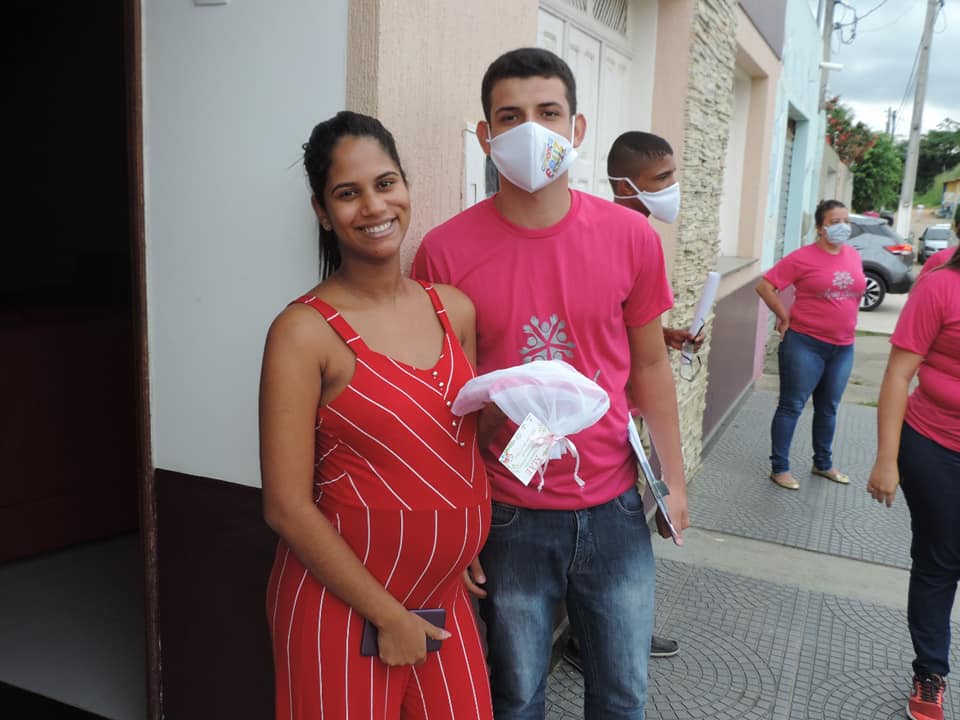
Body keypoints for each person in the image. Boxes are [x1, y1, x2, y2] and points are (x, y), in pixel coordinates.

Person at [413, 47, 690, 720]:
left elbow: (649, 365)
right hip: (508, 514)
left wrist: (673, 482)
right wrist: (458, 523)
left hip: (617, 505)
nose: (531, 130)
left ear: (578, 129)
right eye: (510, 116)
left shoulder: (631, 239)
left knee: (622, 694)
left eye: (548, 113)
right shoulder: (443, 252)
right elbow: (440, 400)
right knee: (515, 696)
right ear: (485, 134)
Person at [260, 111, 493, 719]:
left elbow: (456, 439)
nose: (372, 205)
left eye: (385, 183)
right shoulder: (302, 333)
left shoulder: (454, 311)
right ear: (322, 211)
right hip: (340, 604)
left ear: (406, 187)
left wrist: (462, 530)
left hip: (444, 594)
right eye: (348, 192)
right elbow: (285, 506)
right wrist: (389, 617)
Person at [865, 249, 960, 720]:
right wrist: (886, 458)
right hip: (934, 444)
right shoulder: (941, 287)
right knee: (940, 560)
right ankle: (930, 672)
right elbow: (899, 374)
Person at [756, 200, 865, 490]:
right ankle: (780, 468)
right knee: (792, 406)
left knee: (828, 407)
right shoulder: (802, 258)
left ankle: (823, 463)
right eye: (835, 221)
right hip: (805, 344)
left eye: (846, 220)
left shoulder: (853, 255)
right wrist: (783, 315)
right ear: (820, 228)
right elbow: (765, 286)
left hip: (843, 347)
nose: (842, 226)